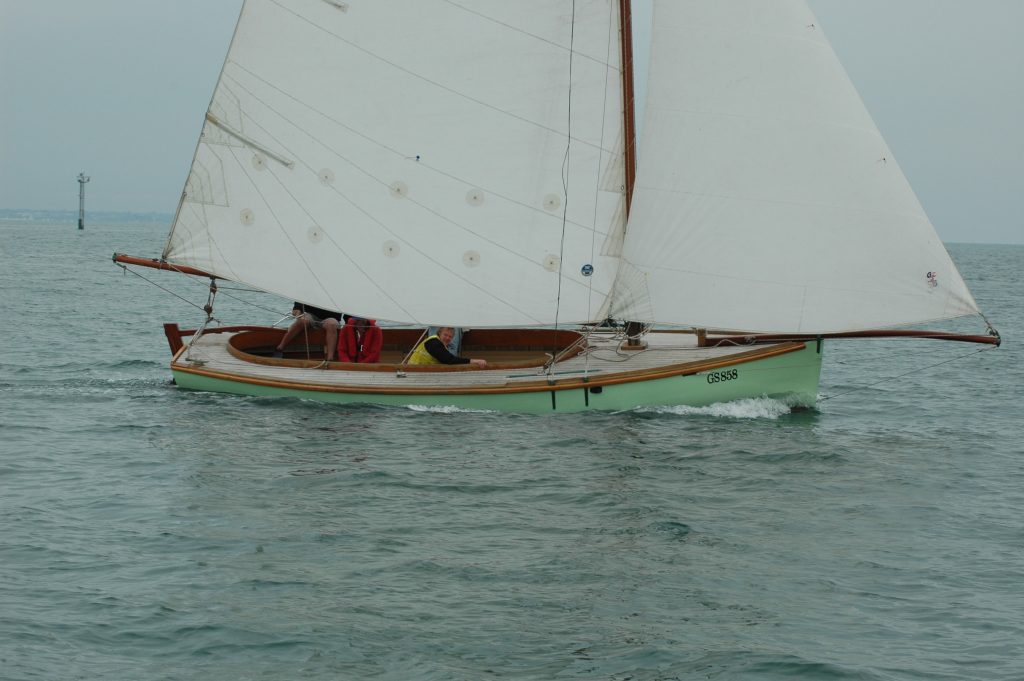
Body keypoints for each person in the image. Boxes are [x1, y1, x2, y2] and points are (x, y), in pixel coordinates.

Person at [273, 302, 343, 361]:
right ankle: (280, 348)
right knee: (303, 321)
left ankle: (330, 358)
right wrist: (297, 308)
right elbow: (303, 294)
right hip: (311, 314)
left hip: (331, 318)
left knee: (331, 325)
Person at [408, 326, 487, 367]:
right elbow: (449, 360)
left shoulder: (439, 344)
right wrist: (474, 361)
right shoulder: (433, 342)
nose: (447, 338)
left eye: (450, 337)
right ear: (439, 333)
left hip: (421, 373)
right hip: (414, 372)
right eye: (445, 335)